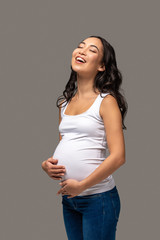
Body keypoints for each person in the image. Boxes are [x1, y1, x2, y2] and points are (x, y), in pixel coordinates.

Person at [41, 35, 128, 240]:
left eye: (92, 50)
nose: (81, 51)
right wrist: (46, 165)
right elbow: (67, 143)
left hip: (98, 200)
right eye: (80, 47)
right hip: (70, 200)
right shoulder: (64, 103)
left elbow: (118, 157)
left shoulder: (106, 102)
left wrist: (82, 185)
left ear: (101, 66)